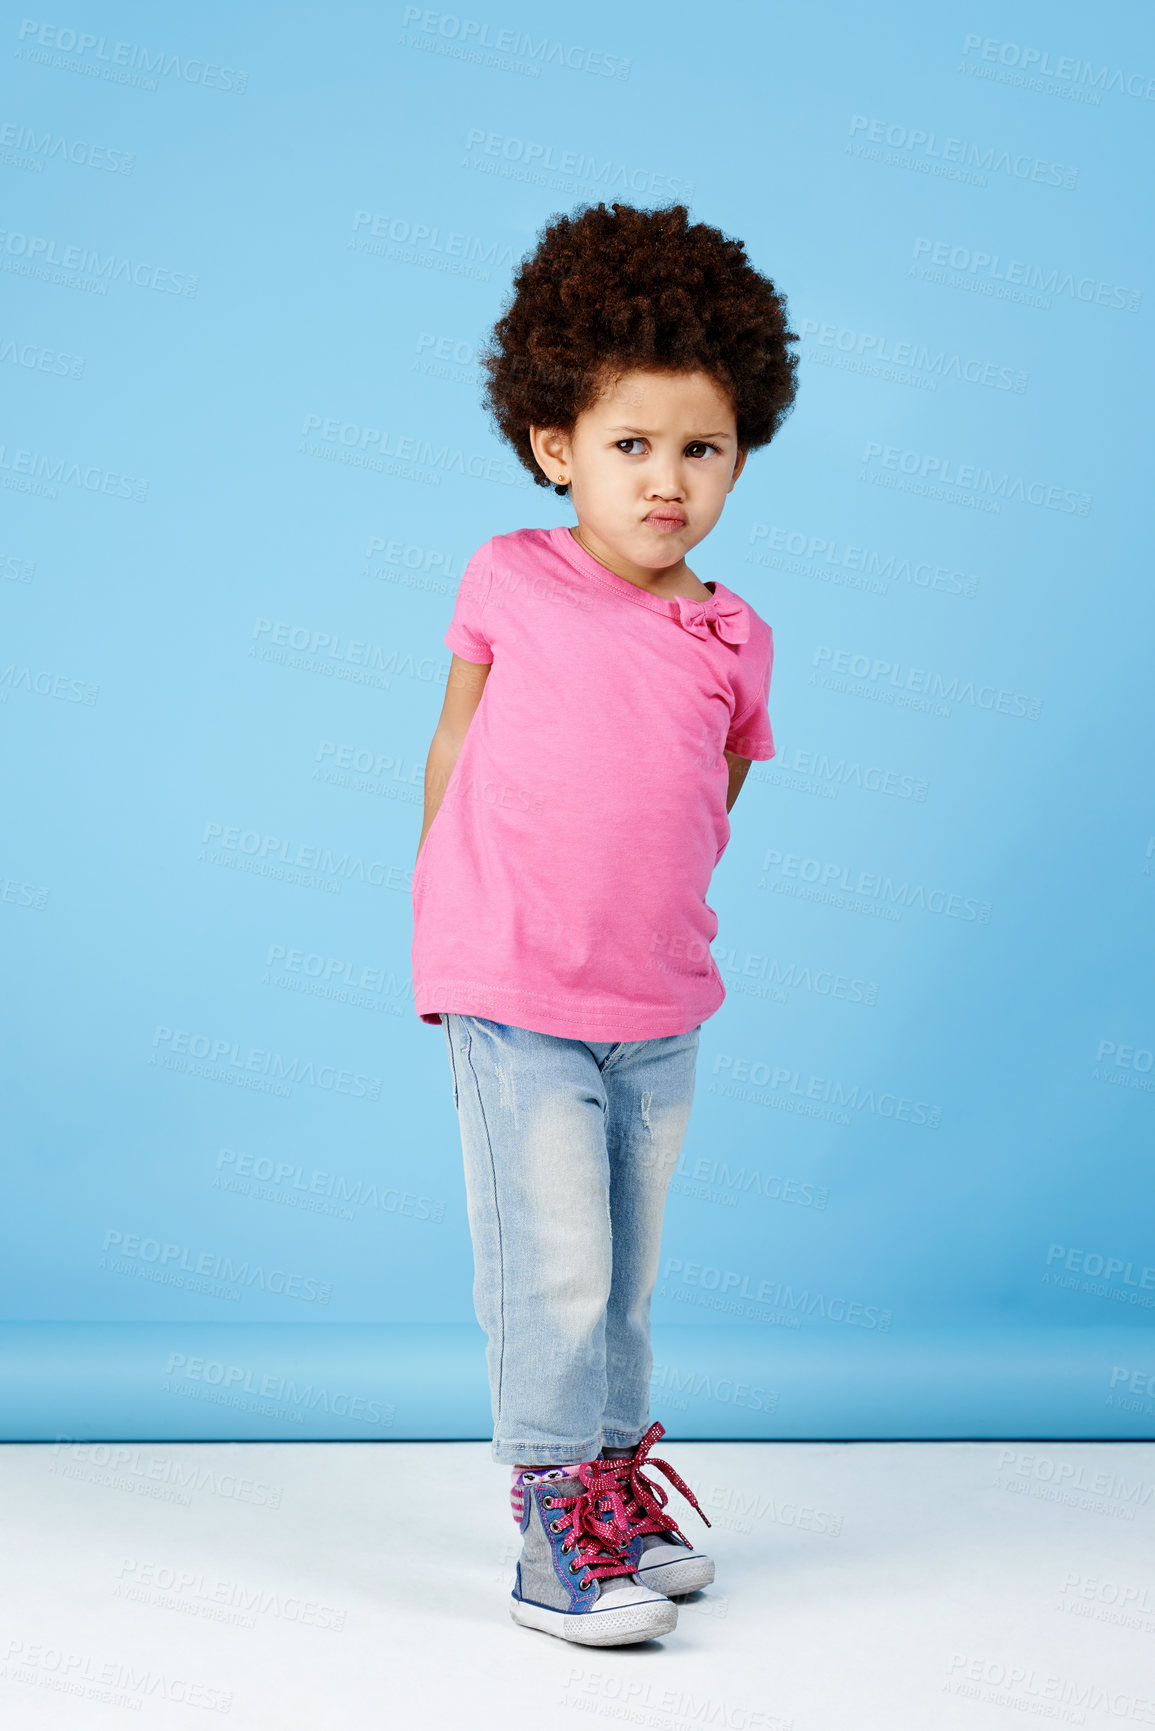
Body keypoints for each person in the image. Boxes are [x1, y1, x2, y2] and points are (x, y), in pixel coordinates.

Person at [410, 200, 798, 1645]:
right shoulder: (512, 575)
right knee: (552, 1258)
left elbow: (718, 785)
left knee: (625, 1267)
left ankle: (614, 1486)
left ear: (741, 449)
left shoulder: (736, 633)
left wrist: (657, 905)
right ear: (554, 445)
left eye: (701, 449)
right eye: (630, 446)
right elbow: (455, 747)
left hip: (659, 1000)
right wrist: (452, 912)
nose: (667, 482)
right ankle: (545, 1525)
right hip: (515, 984)